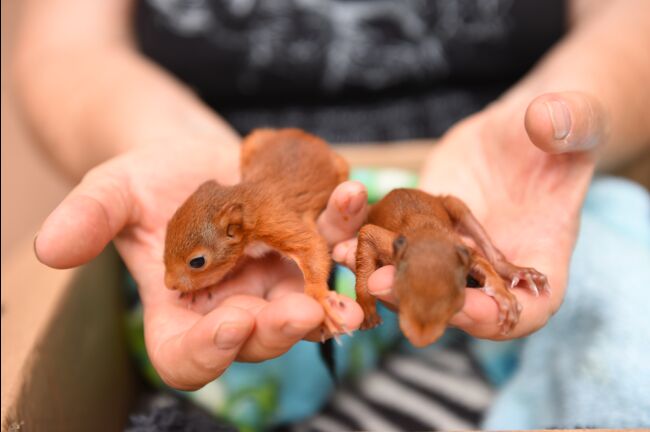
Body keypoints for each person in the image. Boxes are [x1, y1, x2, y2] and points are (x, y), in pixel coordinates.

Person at [14, 0, 650, 404]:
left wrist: (574, 105)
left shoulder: (266, 221)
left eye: (197, 265)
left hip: (499, 169)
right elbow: (65, 46)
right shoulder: (229, 210)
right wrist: (155, 137)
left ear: (235, 232)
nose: (185, 279)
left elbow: (311, 244)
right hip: (227, 146)